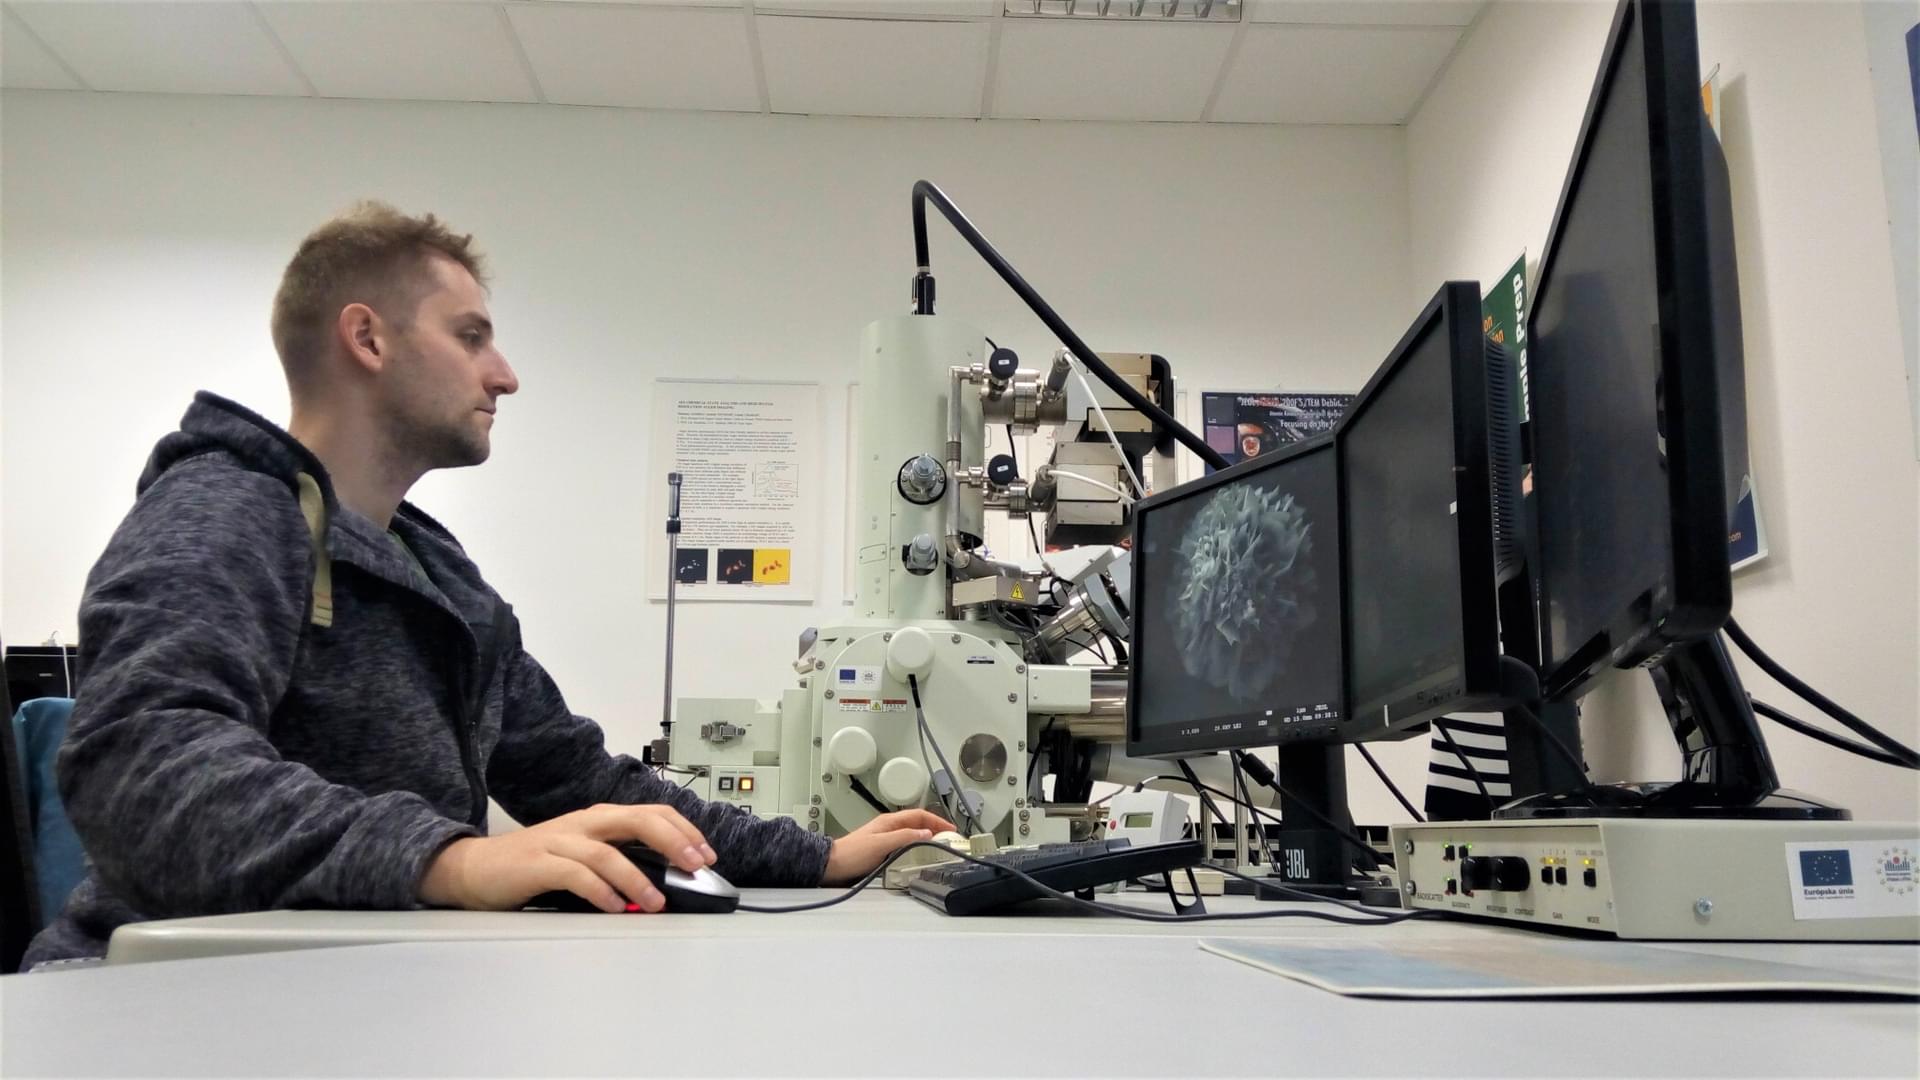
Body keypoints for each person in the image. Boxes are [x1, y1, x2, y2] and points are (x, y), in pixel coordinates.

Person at [23, 203, 950, 967]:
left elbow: (577, 778)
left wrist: (820, 857)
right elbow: (141, 771)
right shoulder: (225, 511)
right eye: (470, 337)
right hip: (170, 995)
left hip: (360, 985)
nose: (504, 376)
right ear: (367, 338)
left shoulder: (440, 576)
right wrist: (452, 859)